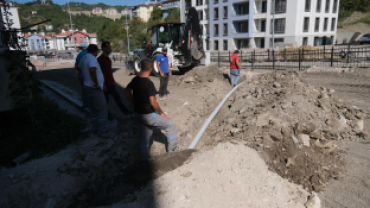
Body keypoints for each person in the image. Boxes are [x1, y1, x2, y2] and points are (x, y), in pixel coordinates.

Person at [125, 59, 179, 162]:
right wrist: (162, 113)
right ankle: (173, 151)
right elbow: (153, 102)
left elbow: (127, 90)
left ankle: (144, 159)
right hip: (148, 115)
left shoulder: (136, 79)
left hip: (138, 114)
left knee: (145, 135)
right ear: (150, 69)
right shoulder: (148, 83)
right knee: (170, 125)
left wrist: (133, 103)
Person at [79, 44, 114, 138]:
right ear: (96, 51)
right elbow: (92, 70)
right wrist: (97, 84)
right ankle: (103, 131)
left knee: (93, 110)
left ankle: (95, 128)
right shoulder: (92, 58)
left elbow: (78, 68)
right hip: (94, 88)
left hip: (87, 87)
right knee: (102, 109)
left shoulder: (83, 58)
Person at [98, 41, 133, 119]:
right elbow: (99, 73)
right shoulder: (100, 60)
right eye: (108, 47)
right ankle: (106, 115)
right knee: (105, 101)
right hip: (105, 85)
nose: (110, 49)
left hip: (110, 83)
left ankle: (125, 111)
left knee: (117, 98)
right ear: (103, 49)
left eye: (110, 47)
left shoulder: (108, 59)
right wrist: (102, 85)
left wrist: (113, 81)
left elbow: (109, 72)